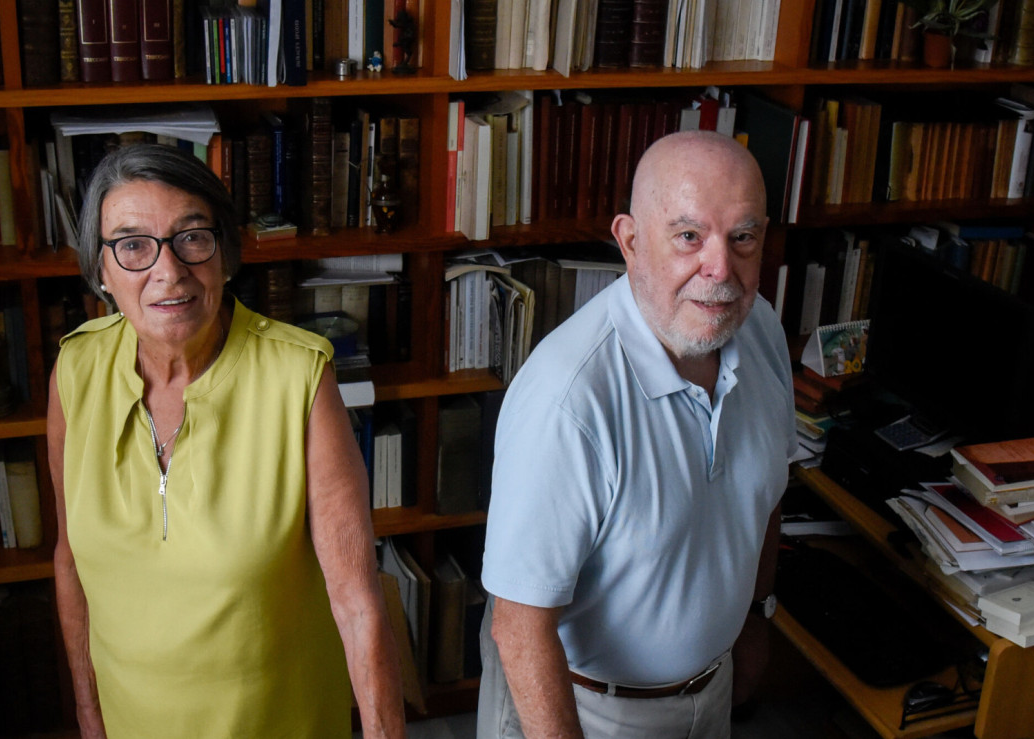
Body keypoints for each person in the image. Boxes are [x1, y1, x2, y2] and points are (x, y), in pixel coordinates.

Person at [46, 143, 405, 738]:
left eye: (191, 237)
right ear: (100, 271)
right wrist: (88, 714)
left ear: (225, 254)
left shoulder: (299, 377)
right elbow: (69, 560)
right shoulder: (75, 371)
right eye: (133, 246)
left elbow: (357, 601)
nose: (168, 271)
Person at [478, 131, 795, 738]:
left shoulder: (762, 333)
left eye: (743, 238)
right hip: (585, 708)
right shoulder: (567, 399)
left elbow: (768, 486)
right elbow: (519, 631)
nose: (719, 268)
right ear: (629, 242)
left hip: (712, 686)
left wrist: (758, 612)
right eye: (688, 237)